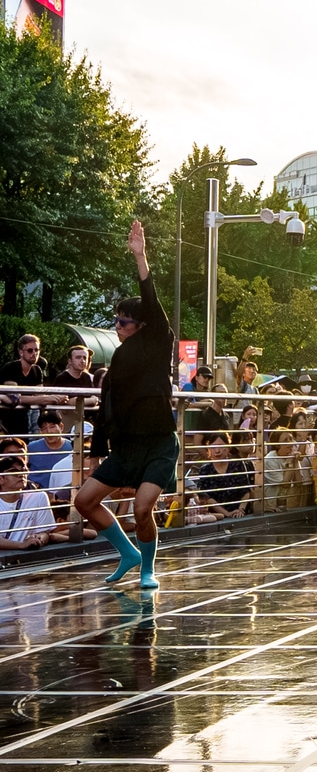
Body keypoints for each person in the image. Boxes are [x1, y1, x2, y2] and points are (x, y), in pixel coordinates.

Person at [72, 221, 176, 590]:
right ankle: (128, 553)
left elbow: (152, 302)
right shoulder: (118, 359)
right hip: (126, 445)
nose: (117, 326)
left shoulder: (158, 341)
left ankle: (148, 567)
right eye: (115, 320)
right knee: (84, 501)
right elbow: (106, 404)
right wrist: (96, 452)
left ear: (142, 325)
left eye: (124, 321)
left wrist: (140, 256)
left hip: (158, 442)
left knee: (142, 508)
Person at [0, 454, 55, 550]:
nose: (21, 475)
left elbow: (45, 532)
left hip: (28, 559)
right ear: (1, 479)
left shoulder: (39, 497)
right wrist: (21, 545)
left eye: (24, 470)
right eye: (13, 471)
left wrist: (38, 539)